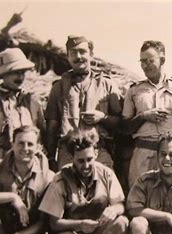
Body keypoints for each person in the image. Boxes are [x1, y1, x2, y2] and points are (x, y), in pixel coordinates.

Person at [38, 130, 128, 234]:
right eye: (80, 161)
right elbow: (53, 223)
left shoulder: (106, 173)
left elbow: (120, 205)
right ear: (72, 157)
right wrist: (79, 224)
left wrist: (113, 209)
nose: (86, 166)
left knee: (121, 222)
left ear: (96, 153)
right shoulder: (60, 179)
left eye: (89, 159)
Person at [122, 40, 172, 187]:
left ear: (162, 60)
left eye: (149, 61)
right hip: (144, 154)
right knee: (141, 199)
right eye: (142, 61)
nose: (145, 65)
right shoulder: (134, 90)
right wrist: (143, 116)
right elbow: (125, 127)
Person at [45, 35, 122, 171]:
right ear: (68, 57)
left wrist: (102, 118)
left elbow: (120, 122)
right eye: (73, 53)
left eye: (82, 51)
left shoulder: (107, 85)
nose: (78, 56)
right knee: (69, 190)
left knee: (101, 190)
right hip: (68, 154)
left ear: (91, 54)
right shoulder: (58, 87)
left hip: (99, 152)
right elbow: (52, 125)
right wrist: (51, 158)